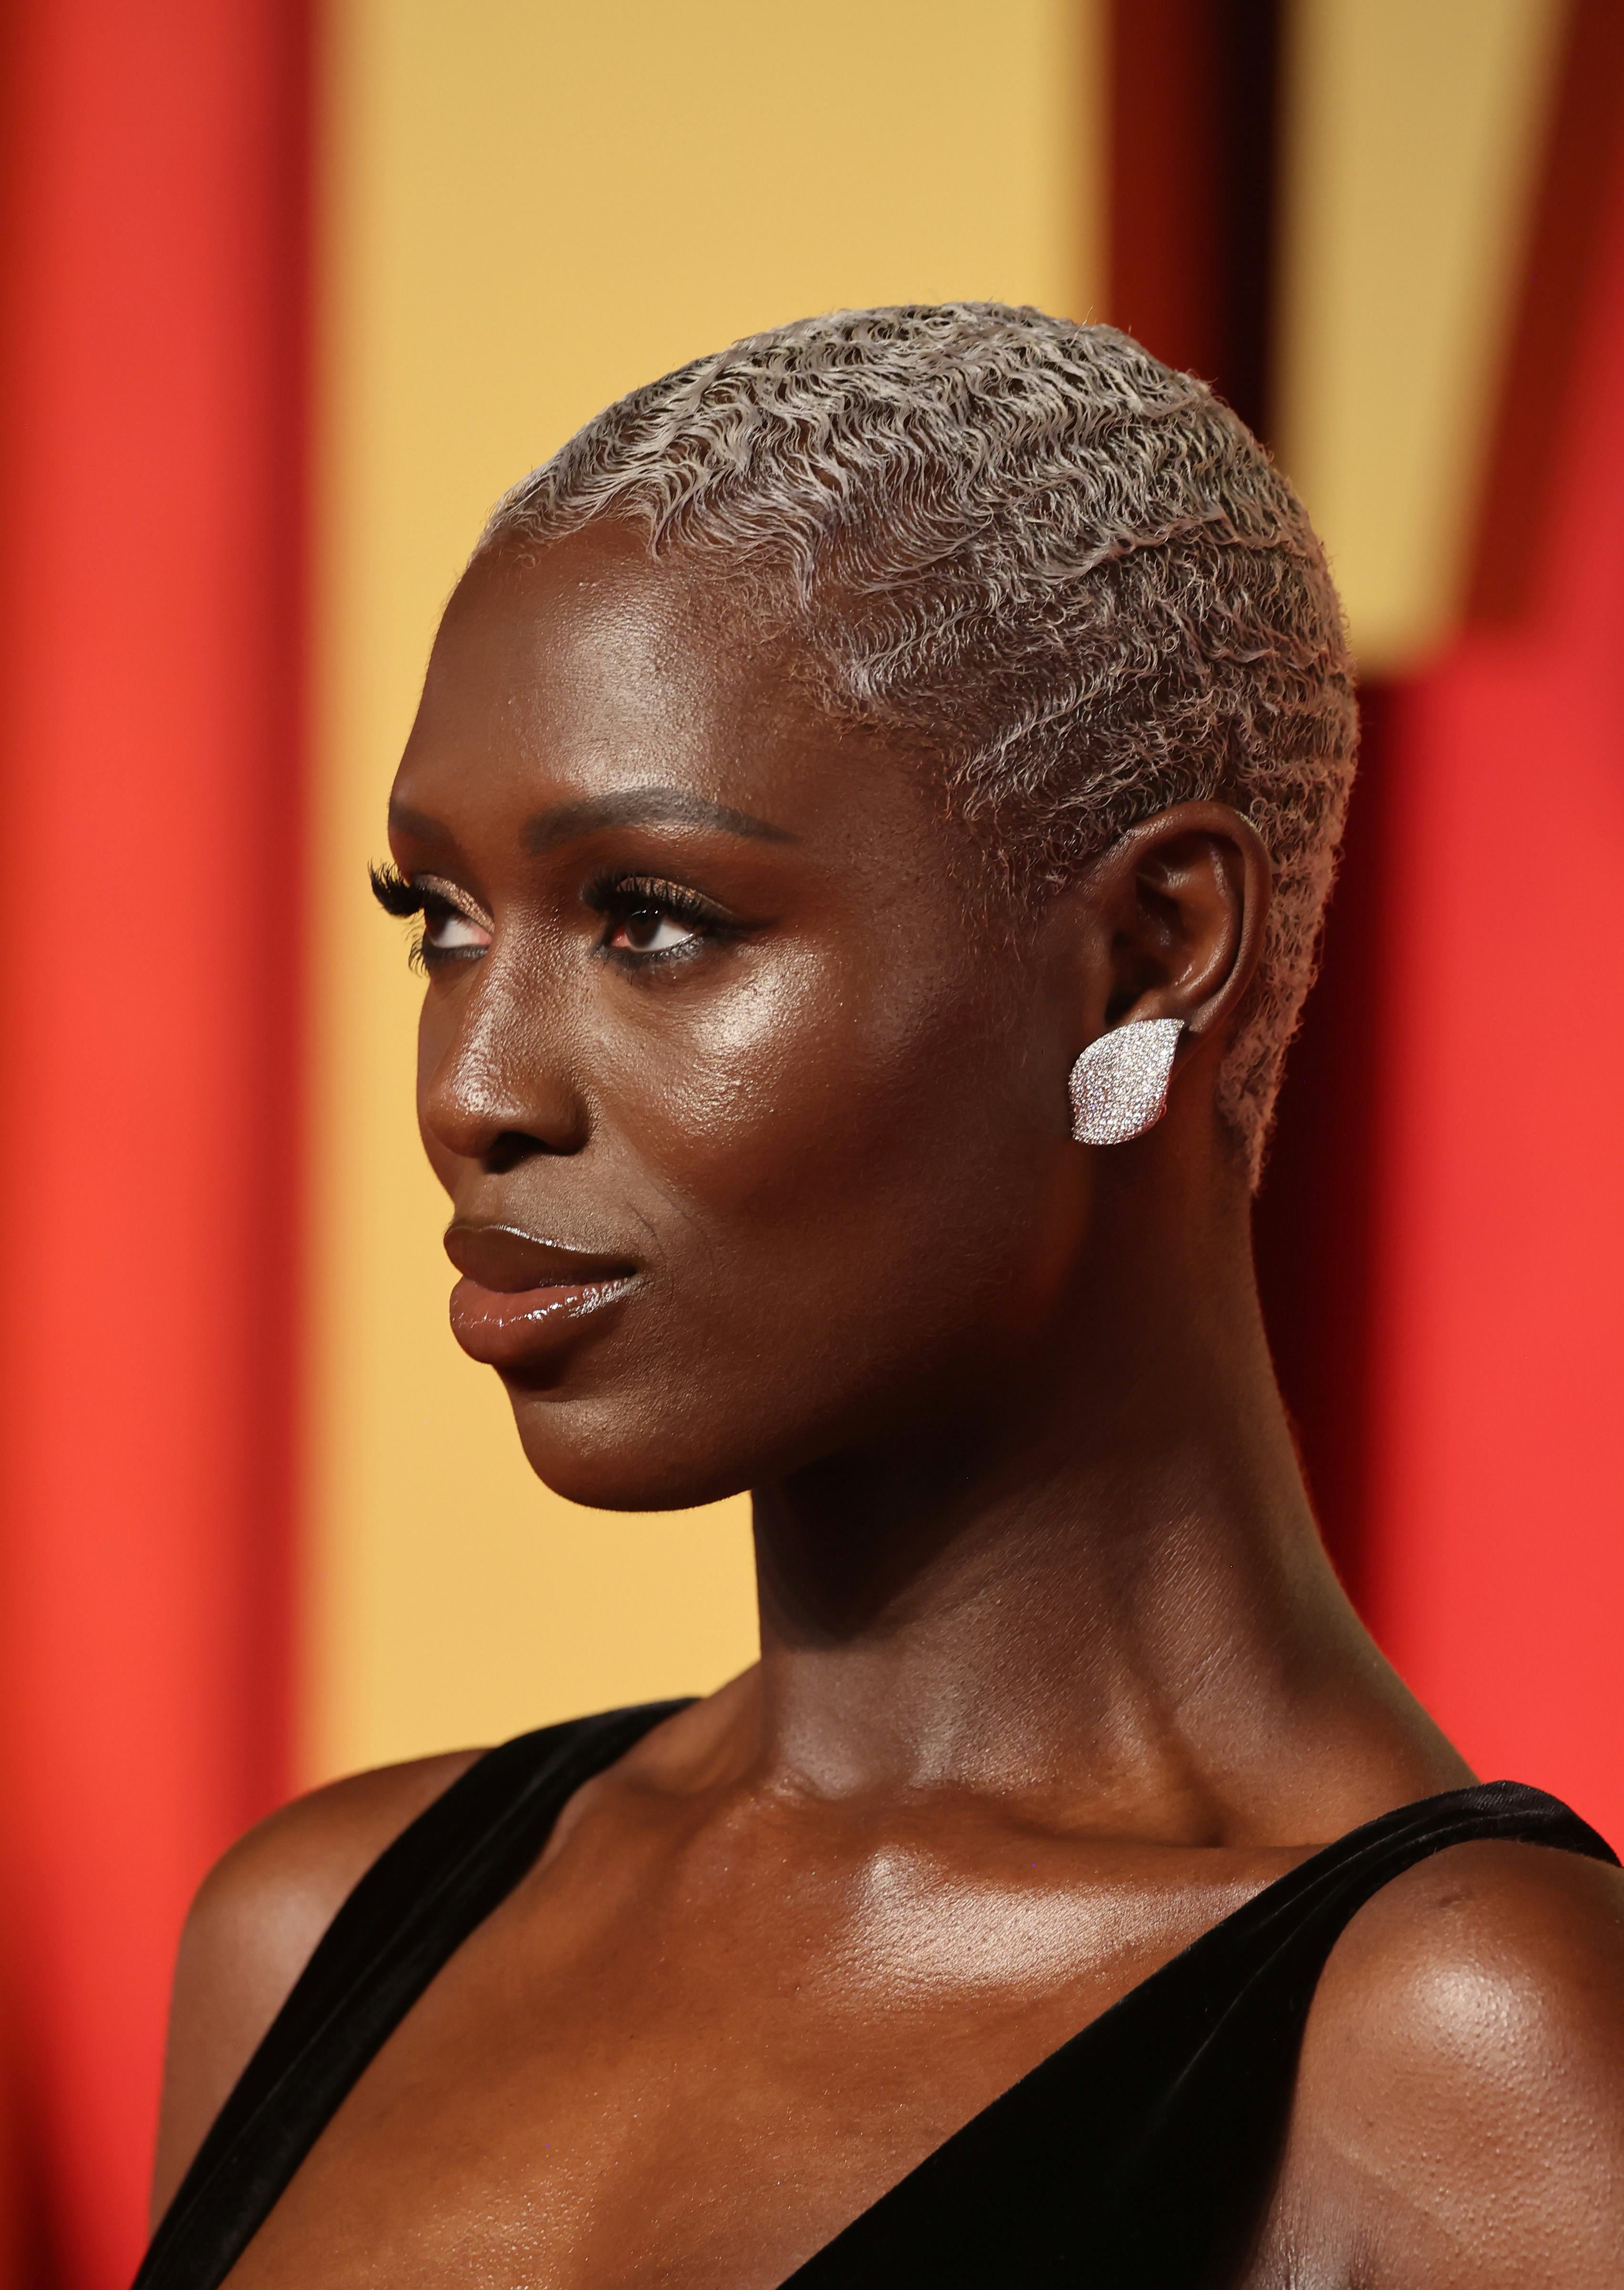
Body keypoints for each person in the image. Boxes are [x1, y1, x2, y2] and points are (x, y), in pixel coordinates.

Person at [139, 307, 1624, 2290]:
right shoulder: (318, 1934)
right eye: (443, 923)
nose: (473, 1090)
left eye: (652, 921)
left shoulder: (1470, 2064)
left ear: (1150, 953)